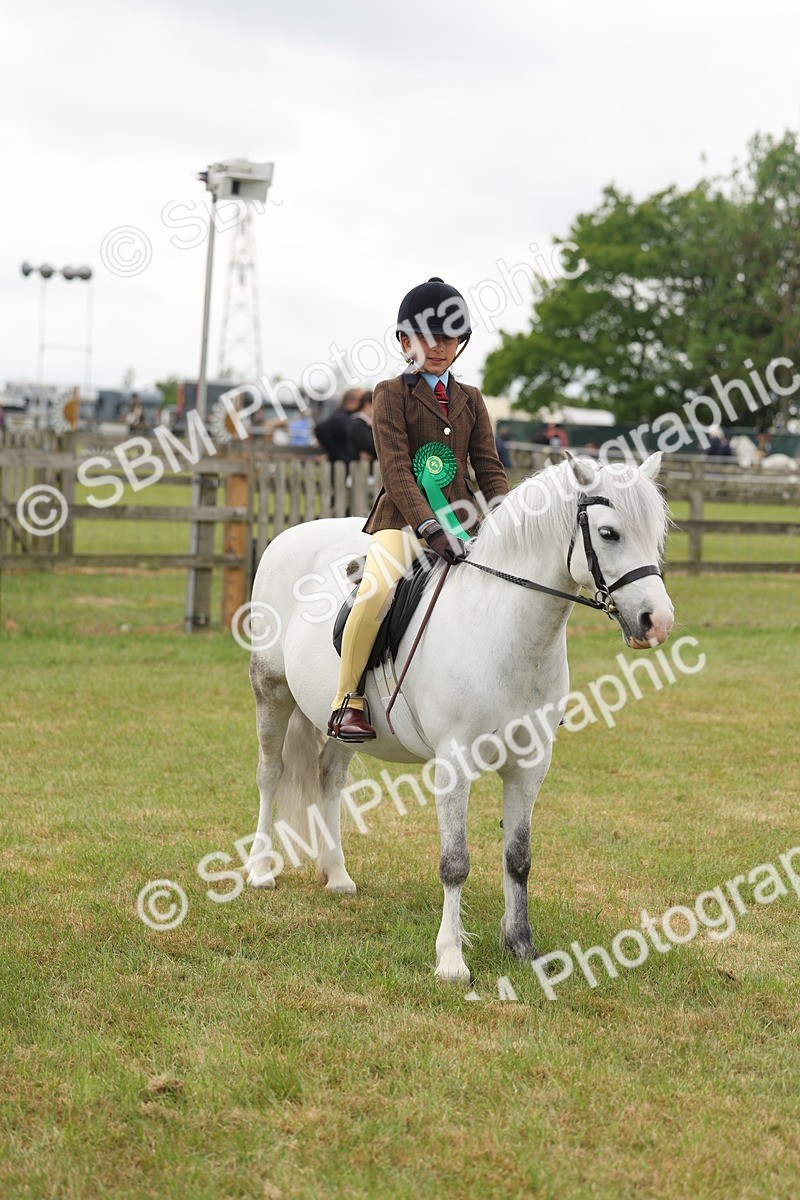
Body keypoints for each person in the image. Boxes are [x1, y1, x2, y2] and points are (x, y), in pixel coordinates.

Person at [328, 276, 510, 742]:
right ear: (405, 340)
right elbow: (395, 469)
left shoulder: (472, 400)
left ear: (461, 343)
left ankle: (522, 695)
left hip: (465, 523)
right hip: (404, 522)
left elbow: (488, 470)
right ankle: (347, 699)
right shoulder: (390, 393)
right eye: (427, 337)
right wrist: (430, 526)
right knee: (377, 591)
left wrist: (509, 520)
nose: (438, 347)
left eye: (448, 338)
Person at [314, 388, 364, 465]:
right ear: (351, 401)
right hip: (343, 465)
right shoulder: (341, 417)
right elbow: (320, 428)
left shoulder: (345, 415)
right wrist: (336, 455)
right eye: (361, 400)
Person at [348, 390, 376, 467]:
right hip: (362, 468)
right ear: (367, 404)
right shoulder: (358, 424)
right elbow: (373, 446)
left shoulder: (366, 423)